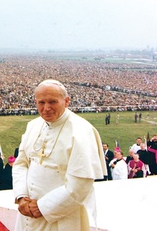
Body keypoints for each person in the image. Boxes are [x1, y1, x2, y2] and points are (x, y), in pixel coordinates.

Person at [13, 79, 106, 230]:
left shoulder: (81, 131)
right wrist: (21, 197)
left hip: (61, 216)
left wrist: (43, 206)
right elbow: (21, 164)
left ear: (66, 101)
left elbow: (81, 184)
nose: (46, 108)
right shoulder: (33, 125)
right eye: (41, 102)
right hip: (27, 214)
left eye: (52, 102)